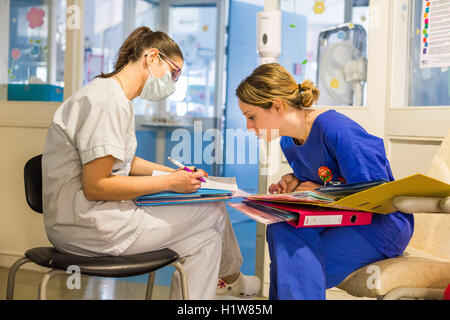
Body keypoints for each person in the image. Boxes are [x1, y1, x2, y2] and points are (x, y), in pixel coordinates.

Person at [42, 26, 260, 300]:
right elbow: (96, 186)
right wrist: (171, 182)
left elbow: (125, 161)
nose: (174, 82)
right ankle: (232, 279)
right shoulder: (106, 101)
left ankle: (220, 287)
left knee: (206, 241)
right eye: (174, 73)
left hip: (92, 220)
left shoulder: (115, 97)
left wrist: (177, 173)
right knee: (212, 208)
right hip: (88, 227)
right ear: (151, 57)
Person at [235, 63, 414, 300]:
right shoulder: (288, 142)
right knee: (280, 228)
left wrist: (324, 190)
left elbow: (377, 192)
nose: (249, 127)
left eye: (251, 117)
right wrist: (295, 183)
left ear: (276, 106)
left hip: (380, 224)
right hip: (340, 218)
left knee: (295, 266)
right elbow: (318, 176)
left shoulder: (336, 129)